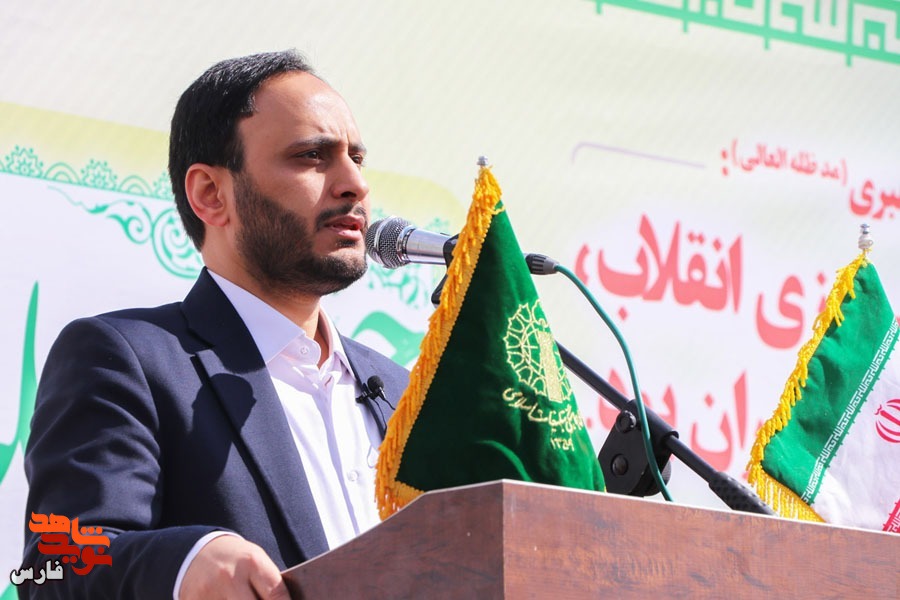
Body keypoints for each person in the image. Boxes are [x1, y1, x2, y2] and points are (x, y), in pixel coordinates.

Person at [20, 50, 409, 599]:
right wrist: (184, 565)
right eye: (311, 156)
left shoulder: (401, 390)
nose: (354, 184)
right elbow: (54, 566)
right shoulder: (126, 360)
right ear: (210, 194)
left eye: (357, 159)